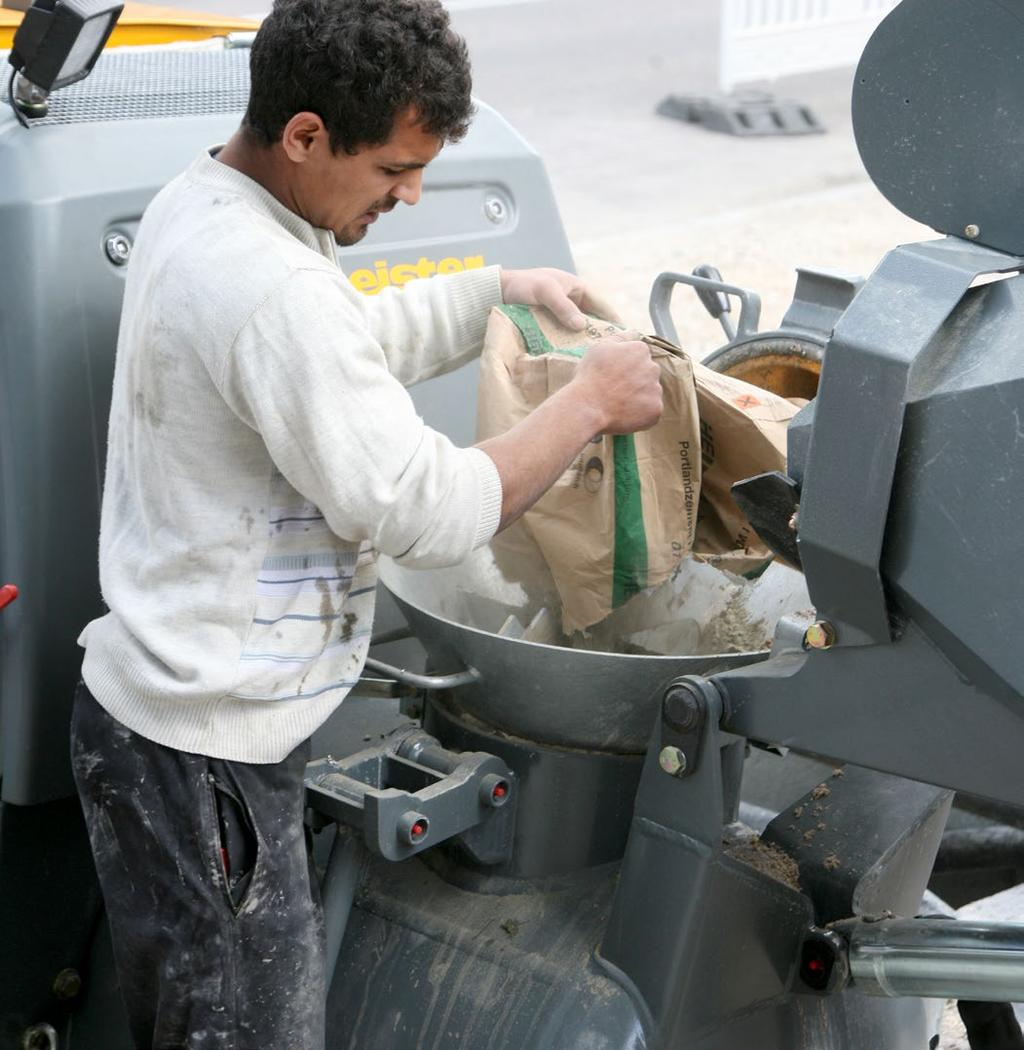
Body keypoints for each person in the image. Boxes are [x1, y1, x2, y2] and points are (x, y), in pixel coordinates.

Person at [70, 0, 663, 1046]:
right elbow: (423, 507)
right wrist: (590, 406)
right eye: (393, 171)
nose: (411, 193)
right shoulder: (267, 282)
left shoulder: (210, 201)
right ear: (304, 135)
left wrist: (496, 288)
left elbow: (327, 348)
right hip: (205, 761)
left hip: (172, 733)